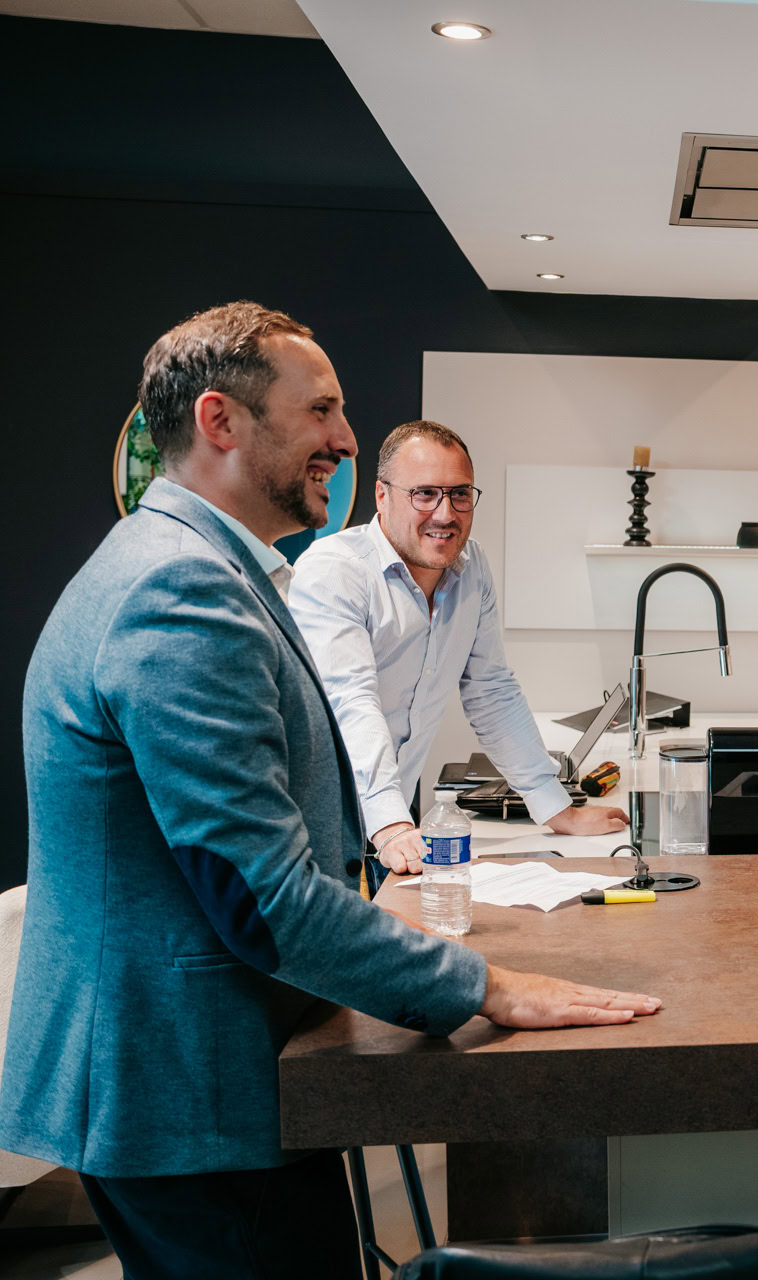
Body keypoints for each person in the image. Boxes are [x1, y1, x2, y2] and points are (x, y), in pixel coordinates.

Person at [0, 303, 660, 1280]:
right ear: (221, 421)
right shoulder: (180, 592)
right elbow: (258, 892)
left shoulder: (209, 569)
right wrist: (487, 985)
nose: (346, 440)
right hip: (184, 1086)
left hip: (205, 1074)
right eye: (322, 411)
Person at [289, 420, 627, 879]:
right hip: (311, 820)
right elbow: (349, 702)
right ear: (382, 496)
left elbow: (491, 691)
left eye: (460, 494)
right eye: (424, 494)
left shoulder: (473, 569)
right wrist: (389, 825)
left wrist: (556, 809)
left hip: (392, 808)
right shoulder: (335, 571)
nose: (445, 514)